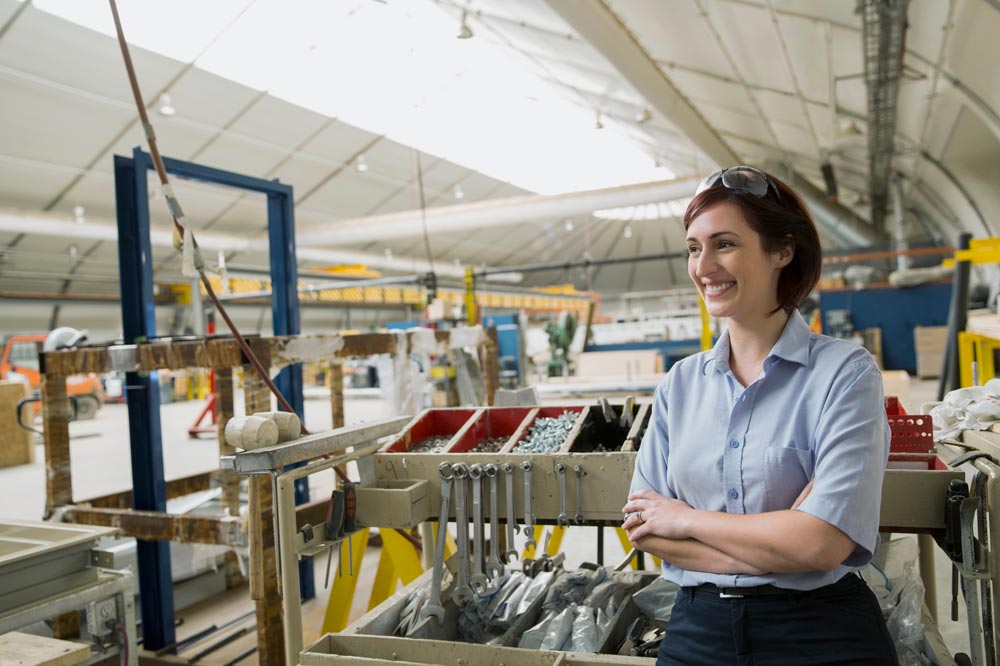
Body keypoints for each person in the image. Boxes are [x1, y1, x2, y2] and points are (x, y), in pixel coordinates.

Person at [622, 166, 896, 665]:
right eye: (693, 247)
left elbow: (820, 545)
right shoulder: (681, 384)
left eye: (724, 243)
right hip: (698, 634)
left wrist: (687, 519)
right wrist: (786, 538)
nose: (704, 265)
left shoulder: (844, 373)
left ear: (782, 251)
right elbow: (647, 530)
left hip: (821, 633)